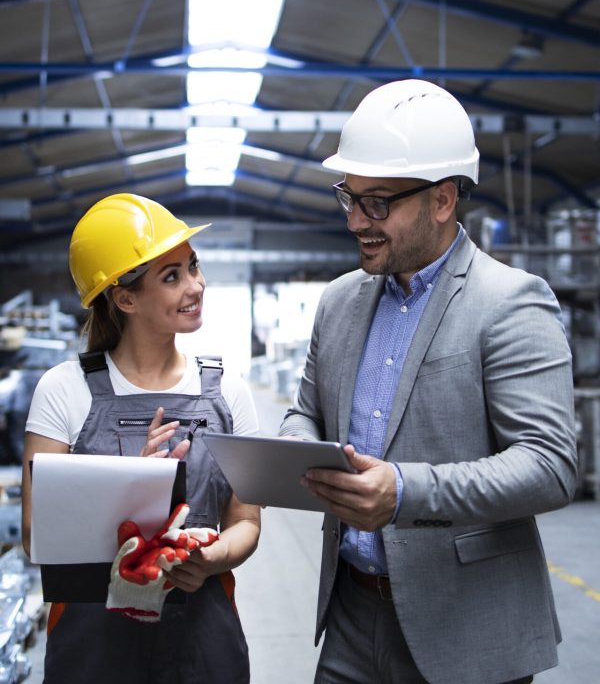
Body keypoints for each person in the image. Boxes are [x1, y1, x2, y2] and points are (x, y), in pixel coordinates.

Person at [279, 79, 577, 684]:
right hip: (350, 617)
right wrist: (295, 450)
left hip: (464, 627)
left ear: (443, 200)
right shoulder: (339, 302)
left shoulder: (510, 303)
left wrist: (407, 493)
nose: (358, 221)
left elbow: (549, 465)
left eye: (379, 203)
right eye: (350, 198)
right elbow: (306, 410)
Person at [21, 193, 260, 683]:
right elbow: (33, 537)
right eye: (171, 277)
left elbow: (247, 522)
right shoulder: (63, 391)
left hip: (202, 640)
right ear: (124, 297)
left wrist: (211, 558)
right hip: (94, 648)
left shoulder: (227, 392)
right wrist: (133, 488)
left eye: (192, 266)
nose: (196, 286)